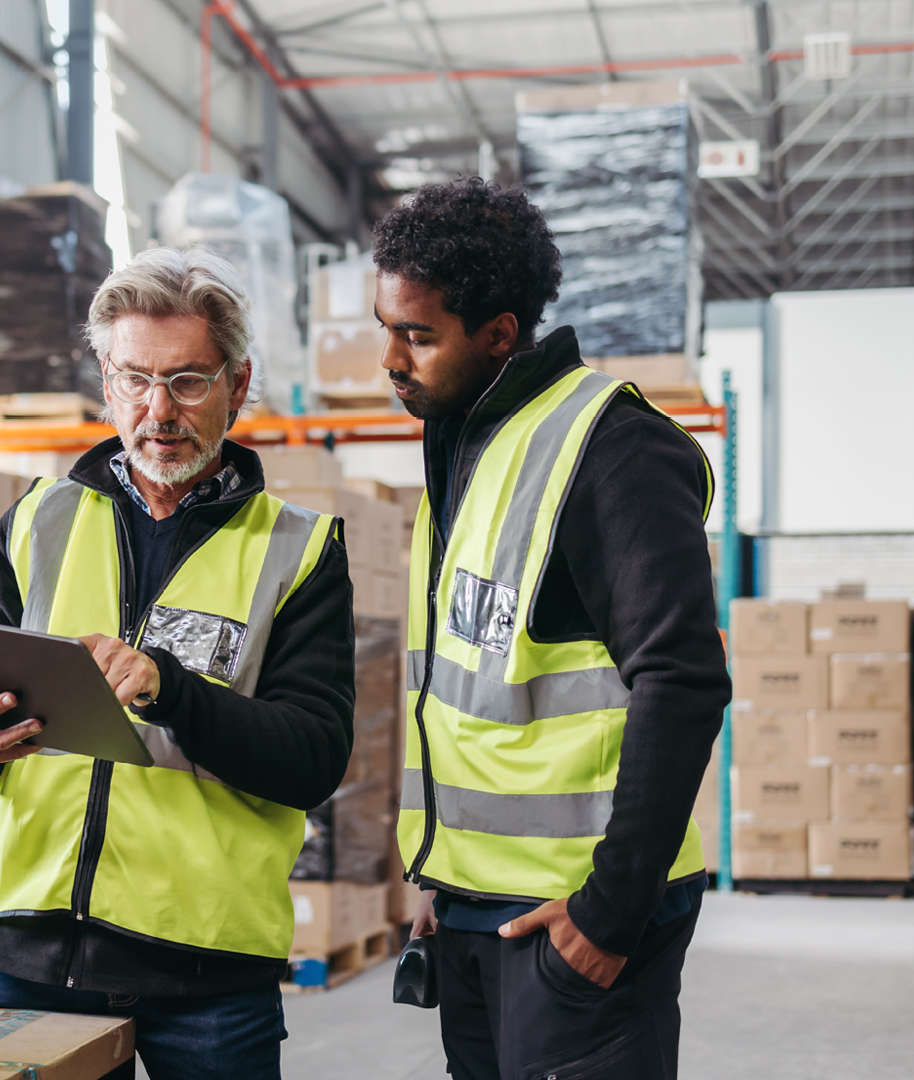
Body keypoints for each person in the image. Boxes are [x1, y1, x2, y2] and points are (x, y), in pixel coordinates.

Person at [376, 178, 731, 1080]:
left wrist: (610, 913)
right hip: (475, 902)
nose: (390, 357)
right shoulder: (467, 440)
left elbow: (684, 680)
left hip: (575, 911)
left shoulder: (610, 445)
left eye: (418, 335)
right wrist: (444, 874)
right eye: (387, 326)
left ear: (498, 333)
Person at [0, 247, 356, 1080]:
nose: (159, 410)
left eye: (188, 381)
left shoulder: (298, 552)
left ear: (238, 383)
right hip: (31, 949)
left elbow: (313, 758)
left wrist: (168, 689)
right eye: (135, 379)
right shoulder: (35, 521)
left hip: (208, 975)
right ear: (106, 379)